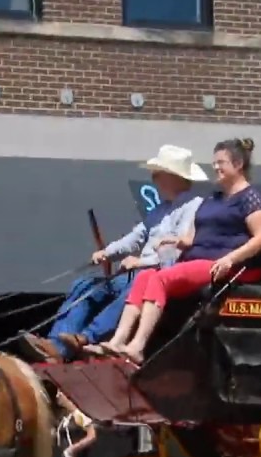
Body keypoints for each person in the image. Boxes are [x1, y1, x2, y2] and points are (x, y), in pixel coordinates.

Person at [19, 144, 207, 363]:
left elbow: (175, 254)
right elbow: (135, 237)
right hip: (138, 272)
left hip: (160, 278)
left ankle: (86, 337)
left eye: (158, 173)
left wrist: (140, 262)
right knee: (84, 285)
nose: (153, 177)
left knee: (134, 286)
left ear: (173, 177)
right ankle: (56, 347)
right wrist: (107, 253)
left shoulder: (194, 207)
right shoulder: (160, 209)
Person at [98, 138, 261, 364]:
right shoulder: (214, 197)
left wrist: (229, 259)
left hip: (229, 263)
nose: (215, 167)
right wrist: (175, 240)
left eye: (221, 162)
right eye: (214, 162)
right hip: (200, 260)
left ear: (238, 164)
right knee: (145, 277)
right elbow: (193, 237)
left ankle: (138, 346)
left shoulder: (252, 196)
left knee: (161, 279)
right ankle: (118, 341)